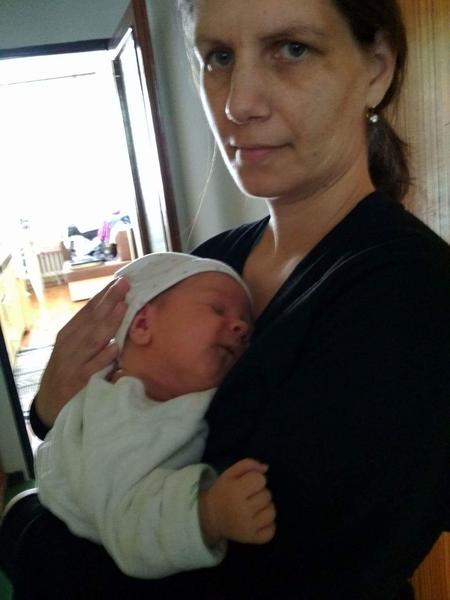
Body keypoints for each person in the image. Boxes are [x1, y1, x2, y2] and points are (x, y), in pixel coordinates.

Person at [1, 0, 449, 598]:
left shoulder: (410, 298)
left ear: (377, 68)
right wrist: (51, 411)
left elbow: (281, 580)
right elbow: (111, 437)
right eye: (218, 57)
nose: (238, 103)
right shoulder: (211, 265)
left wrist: (22, 528)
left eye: (292, 49)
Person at [34, 252, 275, 578]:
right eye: (217, 309)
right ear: (143, 324)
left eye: (248, 330)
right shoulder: (124, 417)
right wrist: (208, 514)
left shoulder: (162, 396)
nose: (242, 327)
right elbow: (127, 527)